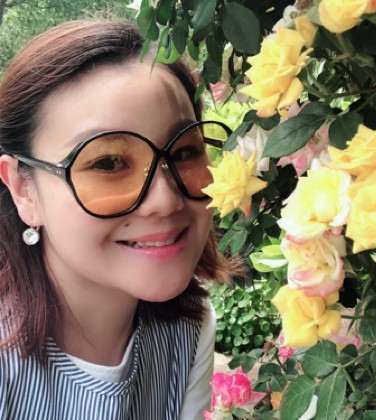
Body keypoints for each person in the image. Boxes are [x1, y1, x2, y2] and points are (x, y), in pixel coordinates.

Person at [0, 19, 237, 419]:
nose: (165, 200)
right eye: (108, 163)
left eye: (184, 152)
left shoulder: (188, 330)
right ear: (24, 189)